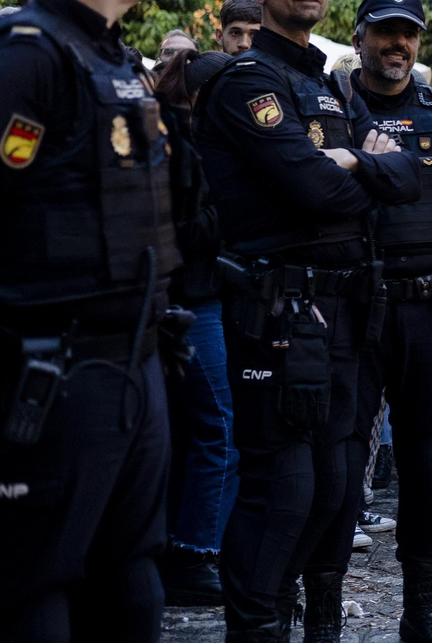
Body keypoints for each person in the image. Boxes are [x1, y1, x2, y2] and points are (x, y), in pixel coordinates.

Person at [194, 0, 420, 641]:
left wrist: (350, 166)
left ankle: (299, 619)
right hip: (278, 308)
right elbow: (311, 188)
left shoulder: (324, 83)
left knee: (330, 492)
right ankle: (255, 627)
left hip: (339, 309)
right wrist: (362, 166)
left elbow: (404, 178)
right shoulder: (247, 82)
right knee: (284, 492)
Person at [0, 0, 194, 641]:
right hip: (52, 373)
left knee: (133, 587)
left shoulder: (111, 58)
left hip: (133, 364)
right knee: (35, 592)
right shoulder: (26, 59)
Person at [300, 0, 432, 643]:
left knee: (428, 458)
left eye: (408, 33)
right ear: (360, 37)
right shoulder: (327, 112)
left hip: (426, 308)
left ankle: (421, 608)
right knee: (338, 459)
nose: (397, 44)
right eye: (385, 32)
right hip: (347, 307)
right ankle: (321, 610)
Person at [152, 49, 239, 609]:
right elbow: (186, 229)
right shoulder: (185, 146)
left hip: (201, 297)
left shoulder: (194, 141)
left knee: (202, 429)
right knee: (217, 427)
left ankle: (196, 547)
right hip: (193, 299)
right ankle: (195, 553)